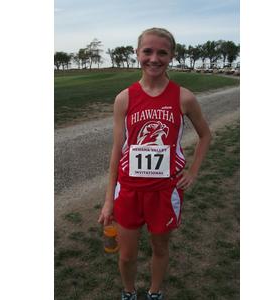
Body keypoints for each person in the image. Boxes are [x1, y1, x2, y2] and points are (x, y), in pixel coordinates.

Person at [98, 27, 212, 300]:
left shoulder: (184, 97)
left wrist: (193, 172)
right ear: (137, 53)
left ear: (172, 55)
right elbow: (118, 149)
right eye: (147, 51)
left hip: (164, 191)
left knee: (160, 249)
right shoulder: (124, 98)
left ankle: (154, 292)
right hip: (129, 190)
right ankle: (128, 292)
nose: (154, 58)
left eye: (162, 52)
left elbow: (206, 135)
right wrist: (108, 200)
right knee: (126, 255)